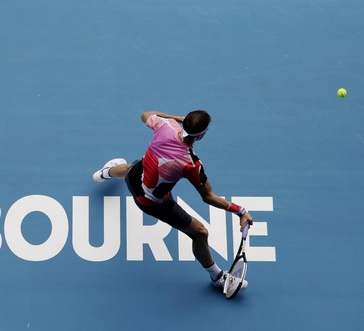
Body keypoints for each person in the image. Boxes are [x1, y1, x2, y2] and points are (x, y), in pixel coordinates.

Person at [92, 110, 253, 292]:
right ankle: (217, 277)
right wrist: (241, 211)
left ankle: (105, 172)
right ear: (201, 135)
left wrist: (176, 119)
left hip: (137, 177)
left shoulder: (165, 126)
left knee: (131, 168)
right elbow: (208, 197)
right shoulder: (191, 165)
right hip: (152, 202)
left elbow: (146, 114)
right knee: (200, 233)